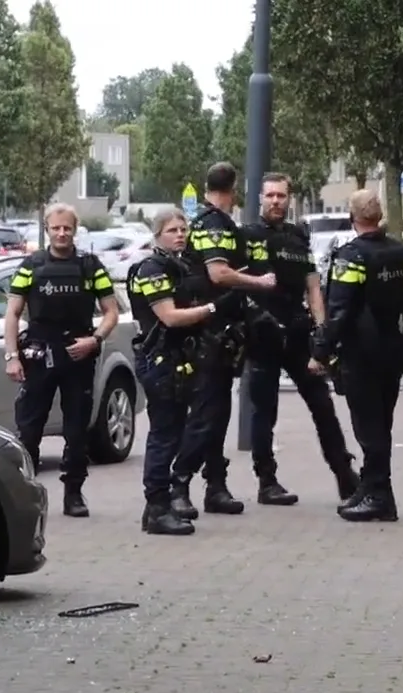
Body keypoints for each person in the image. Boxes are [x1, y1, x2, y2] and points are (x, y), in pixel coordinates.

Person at [244, 172, 360, 506]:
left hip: (297, 333)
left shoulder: (298, 236)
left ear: (289, 198)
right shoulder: (249, 235)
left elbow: (312, 287)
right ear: (261, 198)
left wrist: (322, 333)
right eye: (270, 196)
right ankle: (266, 480)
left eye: (281, 196)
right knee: (264, 411)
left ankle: (344, 473)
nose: (276, 201)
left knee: (322, 405)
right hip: (264, 333)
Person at [1, 202, 121, 517]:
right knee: (28, 429)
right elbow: (12, 313)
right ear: (47, 230)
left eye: (67, 228)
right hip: (39, 354)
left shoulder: (90, 266)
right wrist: (12, 356)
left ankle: (74, 494)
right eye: (56, 228)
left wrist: (94, 341)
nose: (62, 233)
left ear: (75, 229)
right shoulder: (31, 265)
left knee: (77, 429)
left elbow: (111, 311)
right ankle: (25, 498)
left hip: (78, 353)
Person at [170, 161, 275, 518]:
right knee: (206, 414)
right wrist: (260, 282)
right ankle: (178, 484)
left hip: (217, 332)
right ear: (235, 188)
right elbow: (218, 272)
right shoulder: (214, 223)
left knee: (218, 413)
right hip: (207, 334)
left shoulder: (206, 219)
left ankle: (216, 485)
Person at [314, 189, 403, 523]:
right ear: (379, 217)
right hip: (394, 350)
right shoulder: (399, 251)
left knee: (369, 427)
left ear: (353, 217)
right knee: (381, 424)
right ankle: (371, 487)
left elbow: (340, 309)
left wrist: (320, 350)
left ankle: (379, 495)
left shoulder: (352, 256)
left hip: (361, 353)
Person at [127, 208, 219, 535]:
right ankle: (156, 508)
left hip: (178, 358)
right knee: (164, 436)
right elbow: (169, 316)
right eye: (172, 230)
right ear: (157, 235)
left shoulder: (178, 266)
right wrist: (212, 308)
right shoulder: (152, 269)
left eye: (183, 229)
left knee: (175, 432)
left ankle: (160, 505)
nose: (180, 234)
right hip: (160, 360)